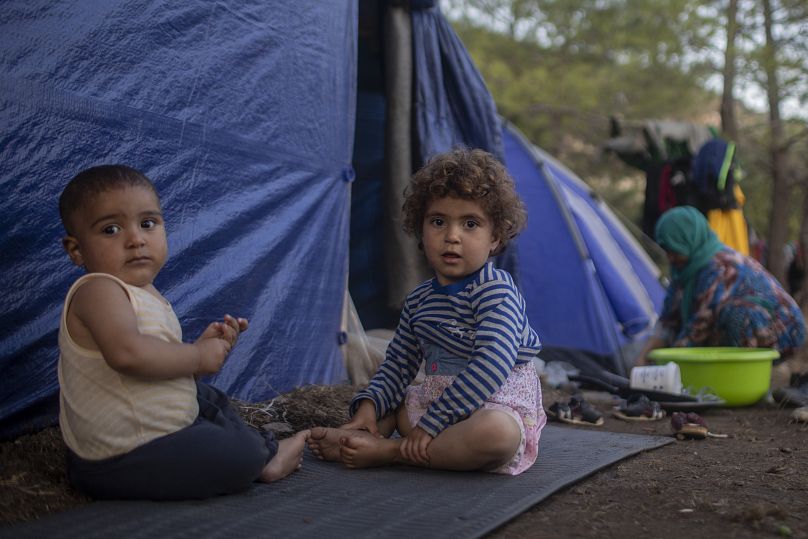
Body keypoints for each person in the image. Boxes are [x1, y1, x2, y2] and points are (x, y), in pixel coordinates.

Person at [57, 164, 308, 500]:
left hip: (154, 433)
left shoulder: (146, 292)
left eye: (148, 224)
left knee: (209, 398)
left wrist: (199, 348)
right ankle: (261, 459)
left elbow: (155, 356)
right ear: (76, 250)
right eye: (111, 229)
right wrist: (195, 357)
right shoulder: (97, 290)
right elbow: (128, 354)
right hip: (120, 456)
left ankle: (251, 447)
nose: (136, 240)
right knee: (235, 453)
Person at [307, 148, 545, 474]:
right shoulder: (420, 300)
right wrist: (368, 406)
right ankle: (359, 434)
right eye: (438, 222)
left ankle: (390, 451)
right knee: (392, 403)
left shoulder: (496, 292)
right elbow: (398, 365)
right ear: (420, 230)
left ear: (496, 237)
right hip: (436, 407)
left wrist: (432, 424)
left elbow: (492, 365)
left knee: (497, 436)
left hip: (492, 404)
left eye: (470, 224)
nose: (452, 236)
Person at [637, 206, 806, 364]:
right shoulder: (682, 270)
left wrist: (667, 366)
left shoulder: (720, 266)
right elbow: (668, 320)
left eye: (674, 250)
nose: (670, 257)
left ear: (689, 240)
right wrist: (644, 356)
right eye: (667, 250)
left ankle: (746, 376)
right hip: (752, 332)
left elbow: (698, 328)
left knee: (736, 314)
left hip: (783, 333)